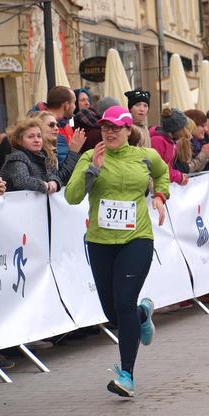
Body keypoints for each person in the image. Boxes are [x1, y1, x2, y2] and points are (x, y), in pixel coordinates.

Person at [65, 106, 170, 398]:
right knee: (113, 312)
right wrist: (93, 170)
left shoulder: (146, 156)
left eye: (115, 127)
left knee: (123, 303)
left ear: (127, 130)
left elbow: (163, 174)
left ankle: (127, 376)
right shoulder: (90, 156)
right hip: (100, 241)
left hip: (137, 238)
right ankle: (143, 313)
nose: (109, 132)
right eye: (105, 127)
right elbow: (72, 196)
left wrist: (160, 195)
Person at [0, 118, 62, 193]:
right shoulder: (17, 157)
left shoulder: (42, 156)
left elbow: (54, 174)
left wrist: (54, 182)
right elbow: (22, 182)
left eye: (39, 136)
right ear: (19, 141)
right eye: (31, 137)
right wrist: (44, 185)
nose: (37, 140)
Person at [30, 110, 85, 185]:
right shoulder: (38, 151)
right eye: (51, 125)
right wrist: (73, 152)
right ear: (38, 128)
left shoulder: (51, 149)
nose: (56, 128)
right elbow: (58, 178)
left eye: (57, 125)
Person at [150, 107, 190, 185]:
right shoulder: (158, 141)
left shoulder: (170, 141)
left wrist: (179, 176)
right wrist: (178, 177)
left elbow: (167, 167)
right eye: (183, 128)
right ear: (176, 129)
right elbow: (158, 169)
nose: (186, 131)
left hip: (161, 183)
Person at [46, 86, 76, 165]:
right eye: (74, 103)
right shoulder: (40, 126)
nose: (75, 107)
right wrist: (74, 151)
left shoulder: (66, 126)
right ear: (66, 105)